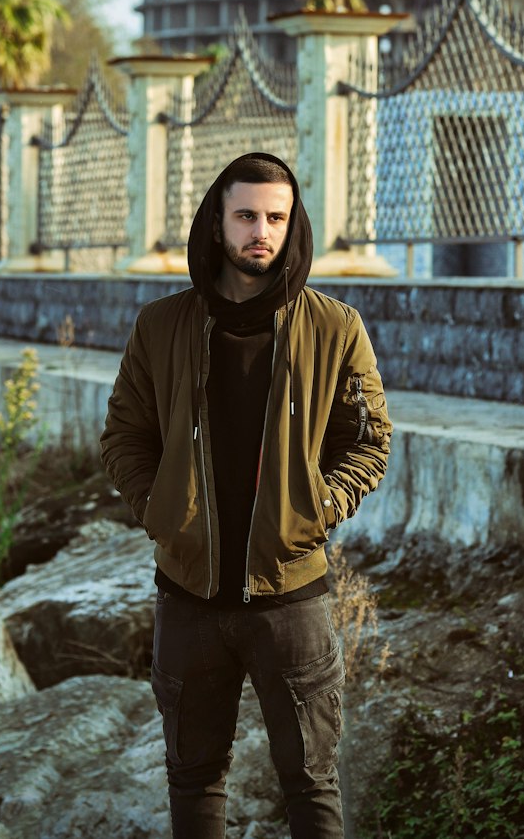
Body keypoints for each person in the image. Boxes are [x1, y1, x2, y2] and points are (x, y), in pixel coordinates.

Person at [100, 152, 390, 839]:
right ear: (217, 222)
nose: (262, 230)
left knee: (311, 784)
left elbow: (369, 441)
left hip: (292, 598)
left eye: (276, 217)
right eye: (247, 215)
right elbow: (123, 439)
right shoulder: (161, 326)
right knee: (195, 782)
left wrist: (318, 508)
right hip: (188, 598)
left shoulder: (334, 327)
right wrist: (159, 512)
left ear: (293, 226)